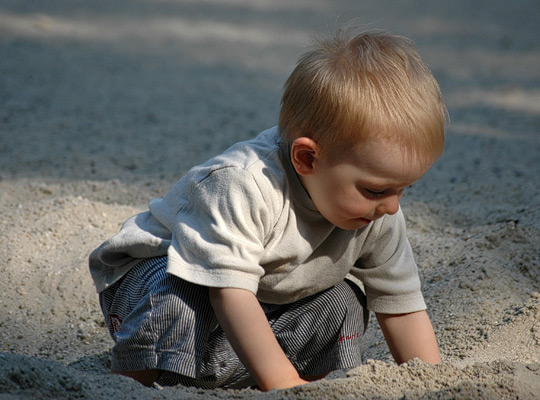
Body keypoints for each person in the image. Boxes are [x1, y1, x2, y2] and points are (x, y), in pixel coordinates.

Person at [89, 27, 447, 391]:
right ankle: (132, 385)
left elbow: (401, 304)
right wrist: (281, 383)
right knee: (181, 287)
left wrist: (433, 385)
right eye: (376, 189)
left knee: (344, 300)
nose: (391, 206)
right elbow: (228, 293)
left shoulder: (377, 212)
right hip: (154, 290)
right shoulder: (243, 185)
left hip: (245, 315)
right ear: (307, 158)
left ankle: (314, 385)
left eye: (405, 189)